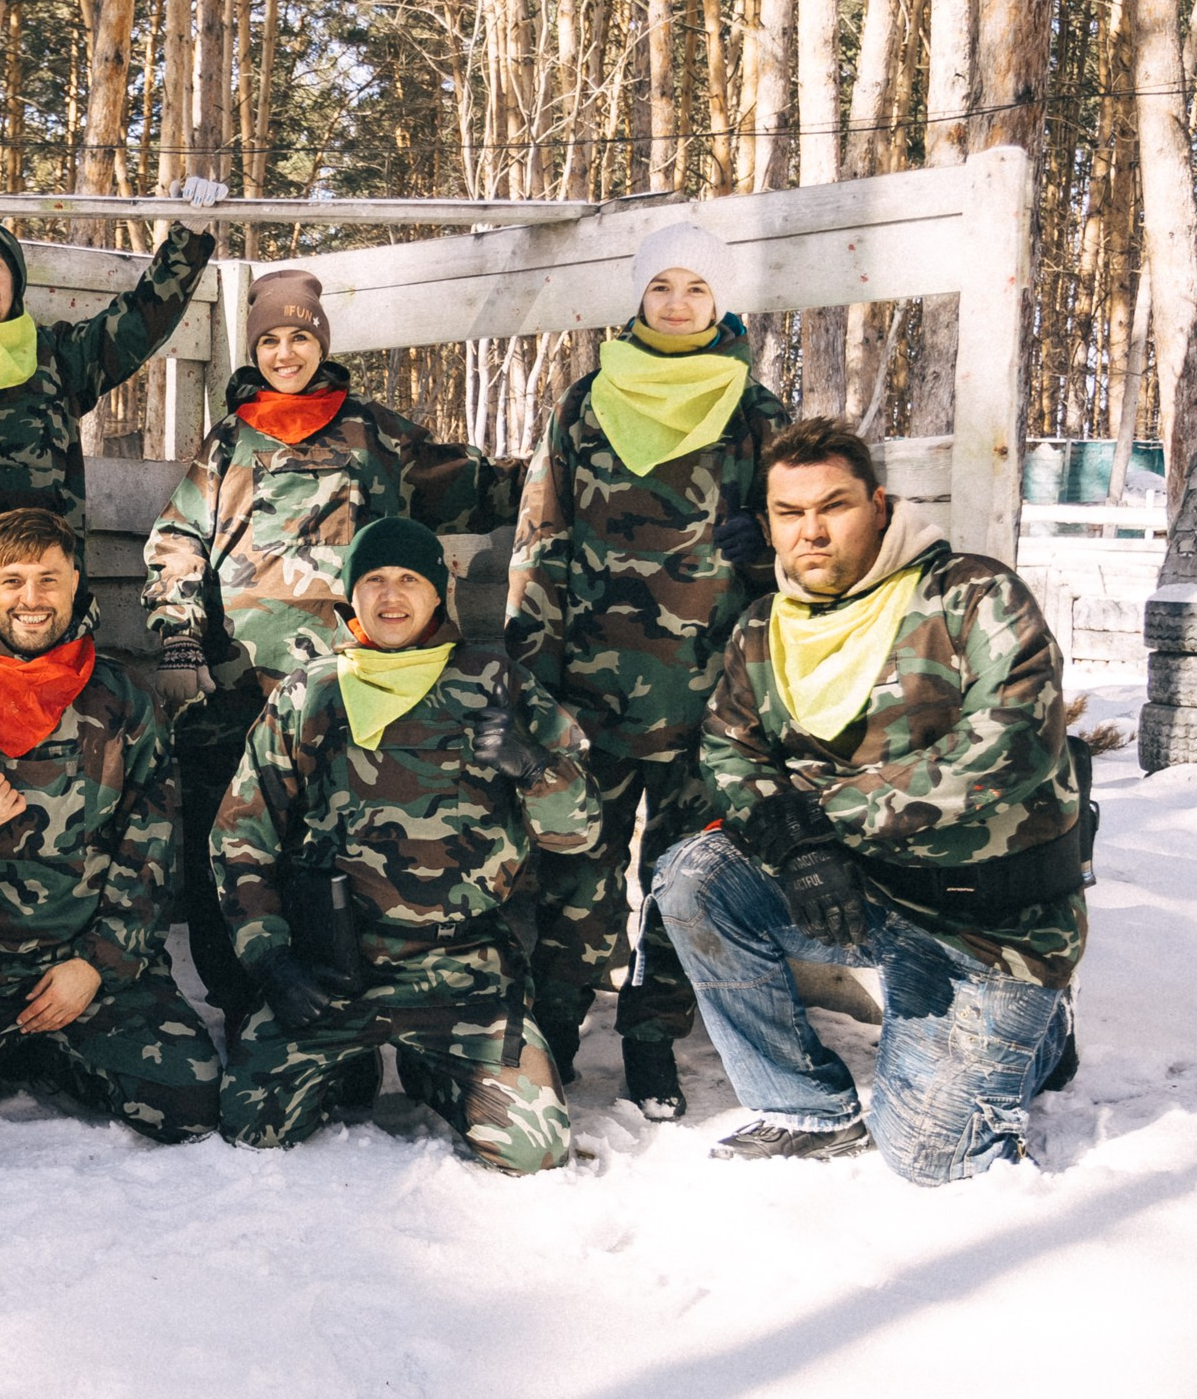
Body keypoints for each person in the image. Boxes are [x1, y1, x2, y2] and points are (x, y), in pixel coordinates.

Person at [653, 419, 1087, 1182]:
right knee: (694, 878)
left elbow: (1010, 744)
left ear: (880, 507)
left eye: (835, 506)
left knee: (932, 1161)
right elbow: (730, 747)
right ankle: (803, 1108)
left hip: (980, 923)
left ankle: (1042, 1032)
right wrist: (795, 847)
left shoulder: (970, 595)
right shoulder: (765, 629)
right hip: (858, 897)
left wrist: (824, 822)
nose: (811, 532)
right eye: (789, 513)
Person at [142, 269, 518, 1018]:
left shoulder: (374, 434)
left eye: (300, 337)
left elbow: (474, 484)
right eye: (270, 341)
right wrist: (179, 640)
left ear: (322, 344)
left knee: (332, 844)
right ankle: (244, 1000)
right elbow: (177, 541)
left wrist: (565, 470)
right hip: (240, 689)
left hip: (349, 690)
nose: (285, 354)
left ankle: (337, 998)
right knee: (229, 840)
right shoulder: (229, 441)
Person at [505, 222, 788, 1116]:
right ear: (638, 294)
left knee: (684, 870)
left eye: (696, 287)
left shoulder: (756, 412)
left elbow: (806, 542)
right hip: (591, 691)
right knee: (576, 870)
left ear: (720, 300)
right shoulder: (586, 402)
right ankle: (555, 1023)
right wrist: (531, 674)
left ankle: (652, 1035)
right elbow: (541, 538)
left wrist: (766, 549)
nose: (676, 303)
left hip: (712, 697)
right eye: (661, 285)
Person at [213, 519, 597, 1173]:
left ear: (438, 591)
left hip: (463, 966)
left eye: (409, 580)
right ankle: (349, 1061)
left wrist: (534, 766)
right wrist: (272, 960)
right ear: (351, 595)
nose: (391, 596)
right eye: (374, 580)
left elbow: (578, 832)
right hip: (337, 962)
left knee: (535, 1152)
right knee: (252, 1127)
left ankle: (434, 1070)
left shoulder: (497, 685)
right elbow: (240, 836)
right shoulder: (310, 693)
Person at [0, 508, 221, 1168]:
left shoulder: (124, 699)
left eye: (48, 580)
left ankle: (52, 1049)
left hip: (84, 960)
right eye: (13, 581)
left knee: (189, 1103)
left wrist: (96, 966)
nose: (31, 599)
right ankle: (7, 1044)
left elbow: (153, 854)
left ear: (76, 582)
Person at [0, 177, 225, 534]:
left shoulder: (58, 354)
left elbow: (140, 324)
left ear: (15, 279)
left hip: (45, 562)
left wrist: (188, 239)